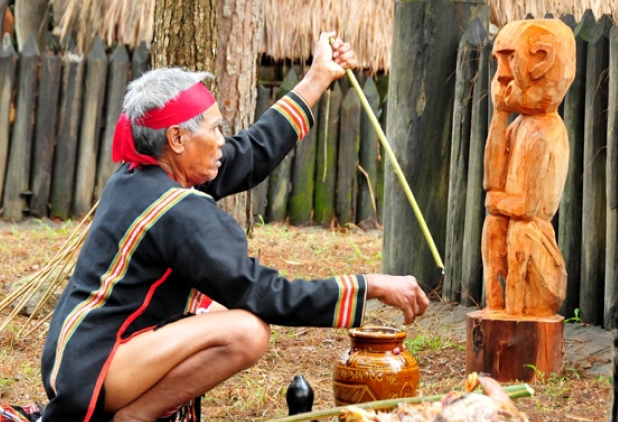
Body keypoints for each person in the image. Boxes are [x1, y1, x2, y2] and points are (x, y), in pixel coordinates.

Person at [40, 32, 430, 422]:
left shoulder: (140, 174)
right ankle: (135, 418)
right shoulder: (175, 210)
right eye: (214, 130)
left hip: (78, 354)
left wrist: (317, 78)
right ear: (176, 138)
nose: (222, 142)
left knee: (222, 308)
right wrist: (372, 285)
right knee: (247, 330)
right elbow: (264, 292)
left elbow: (249, 154)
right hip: (93, 371)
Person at [481, 20, 575, 316]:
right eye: (500, 62)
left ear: (544, 59)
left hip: (539, 255)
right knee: (493, 226)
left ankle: (516, 311)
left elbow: (528, 208)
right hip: (515, 227)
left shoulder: (544, 132)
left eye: (511, 59)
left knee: (520, 230)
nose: (503, 77)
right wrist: (499, 115)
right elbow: (491, 181)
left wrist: (496, 201)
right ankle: (497, 305)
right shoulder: (519, 125)